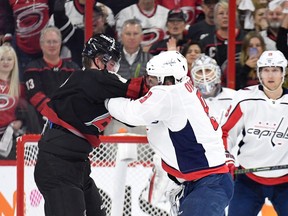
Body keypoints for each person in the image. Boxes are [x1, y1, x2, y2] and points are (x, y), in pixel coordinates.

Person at [106, 51, 234, 216]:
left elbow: (131, 113)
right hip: (201, 183)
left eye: (152, 80)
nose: (148, 85)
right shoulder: (183, 88)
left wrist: (105, 100)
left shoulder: (170, 94)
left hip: (208, 184)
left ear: (169, 80)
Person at [33, 33, 149, 216]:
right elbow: (139, 88)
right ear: (98, 60)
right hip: (58, 167)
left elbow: (131, 115)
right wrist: (165, 79)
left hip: (77, 166)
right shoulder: (90, 78)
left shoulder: (97, 88)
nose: (113, 69)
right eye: (111, 63)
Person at [221, 50, 288, 216]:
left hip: (285, 182)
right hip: (248, 180)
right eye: (265, 70)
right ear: (259, 73)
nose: (270, 75)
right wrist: (227, 158)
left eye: (275, 70)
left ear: (283, 73)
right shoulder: (244, 98)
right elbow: (225, 132)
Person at [24, 26, 80, 129]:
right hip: (40, 121)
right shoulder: (32, 68)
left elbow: (78, 93)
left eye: (55, 41)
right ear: (41, 45)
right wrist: (53, 112)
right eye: (48, 42)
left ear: (60, 44)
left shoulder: (73, 68)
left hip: (69, 120)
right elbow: (34, 95)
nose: (52, 45)